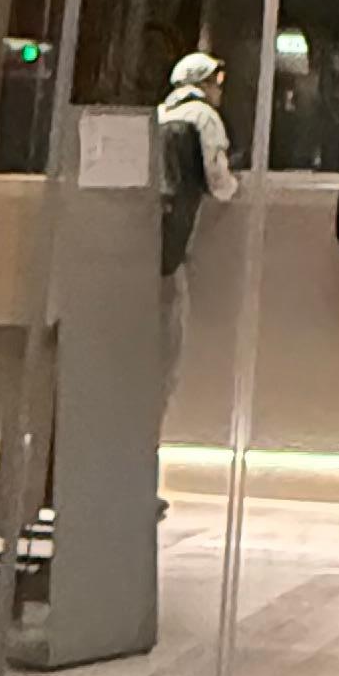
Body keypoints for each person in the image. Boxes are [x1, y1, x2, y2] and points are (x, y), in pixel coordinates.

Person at [153, 52, 236, 443]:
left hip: (148, 244)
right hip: (176, 246)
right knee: (170, 346)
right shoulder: (203, 118)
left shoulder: (160, 114)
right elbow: (218, 180)